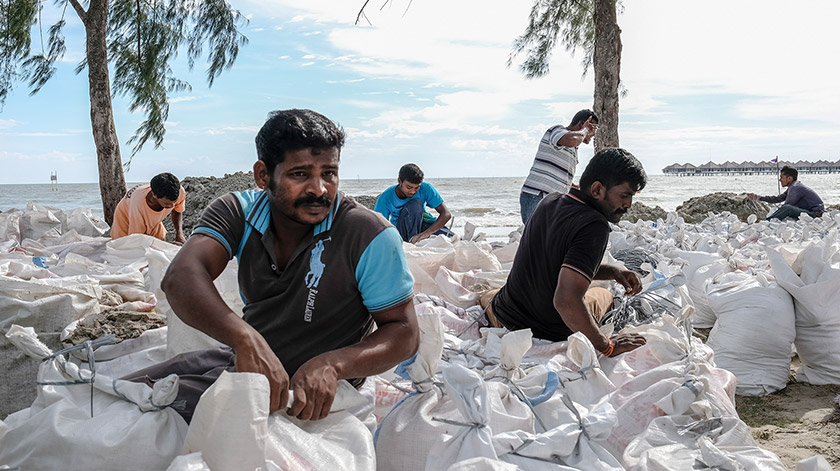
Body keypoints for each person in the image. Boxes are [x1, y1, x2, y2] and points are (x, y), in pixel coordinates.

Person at [123, 109, 419, 423]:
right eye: (300, 174)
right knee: (119, 396)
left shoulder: (368, 234)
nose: (319, 189)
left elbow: (404, 331)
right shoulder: (237, 211)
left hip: (311, 394)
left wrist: (333, 365)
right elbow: (181, 278)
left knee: (149, 421)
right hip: (244, 362)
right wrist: (244, 339)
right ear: (263, 175)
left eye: (329, 173)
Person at [483, 147, 648, 357]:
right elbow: (566, 301)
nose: (628, 205)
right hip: (540, 333)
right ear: (597, 190)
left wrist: (614, 272)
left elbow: (557, 262)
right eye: (624, 195)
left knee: (489, 294)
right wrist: (607, 346)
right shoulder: (594, 225)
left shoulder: (550, 201)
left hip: (501, 314)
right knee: (603, 295)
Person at [520, 109, 599, 224]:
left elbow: (561, 177)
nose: (594, 133)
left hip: (553, 201)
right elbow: (572, 140)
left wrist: (575, 187)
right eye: (594, 128)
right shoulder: (557, 130)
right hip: (538, 196)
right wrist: (586, 130)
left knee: (548, 239)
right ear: (581, 124)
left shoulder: (573, 148)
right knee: (537, 239)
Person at [374, 163, 454, 243]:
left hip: (423, 225)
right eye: (409, 187)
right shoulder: (386, 198)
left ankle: (419, 238)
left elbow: (446, 214)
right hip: (402, 231)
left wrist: (426, 234)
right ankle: (413, 242)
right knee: (415, 204)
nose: (413, 192)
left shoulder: (426, 188)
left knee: (452, 239)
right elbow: (379, 226)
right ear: (399, 181)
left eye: (417, 188)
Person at [110, 172, 187, 245]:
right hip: (127, 227)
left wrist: (179, 234)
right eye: (167, 203)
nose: (171, 206)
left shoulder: (179, 192)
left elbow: (177, 211)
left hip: (153, 224)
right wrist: (166, 245)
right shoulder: (138, 206)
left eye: (174, 201)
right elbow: (137, 240)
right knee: (132, 252)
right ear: (154, 195)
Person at [747, 166, 824, 220]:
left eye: (781, 177)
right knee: (786, 208)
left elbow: (787, 206)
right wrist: (759, 197)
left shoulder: (795, 188)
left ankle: (767, 221)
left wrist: (773, 216)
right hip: (810, 212)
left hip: (816, 214)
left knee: (787, 208)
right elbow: (778, 198)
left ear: (789, 178)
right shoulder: (793, 186)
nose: (779, 180)